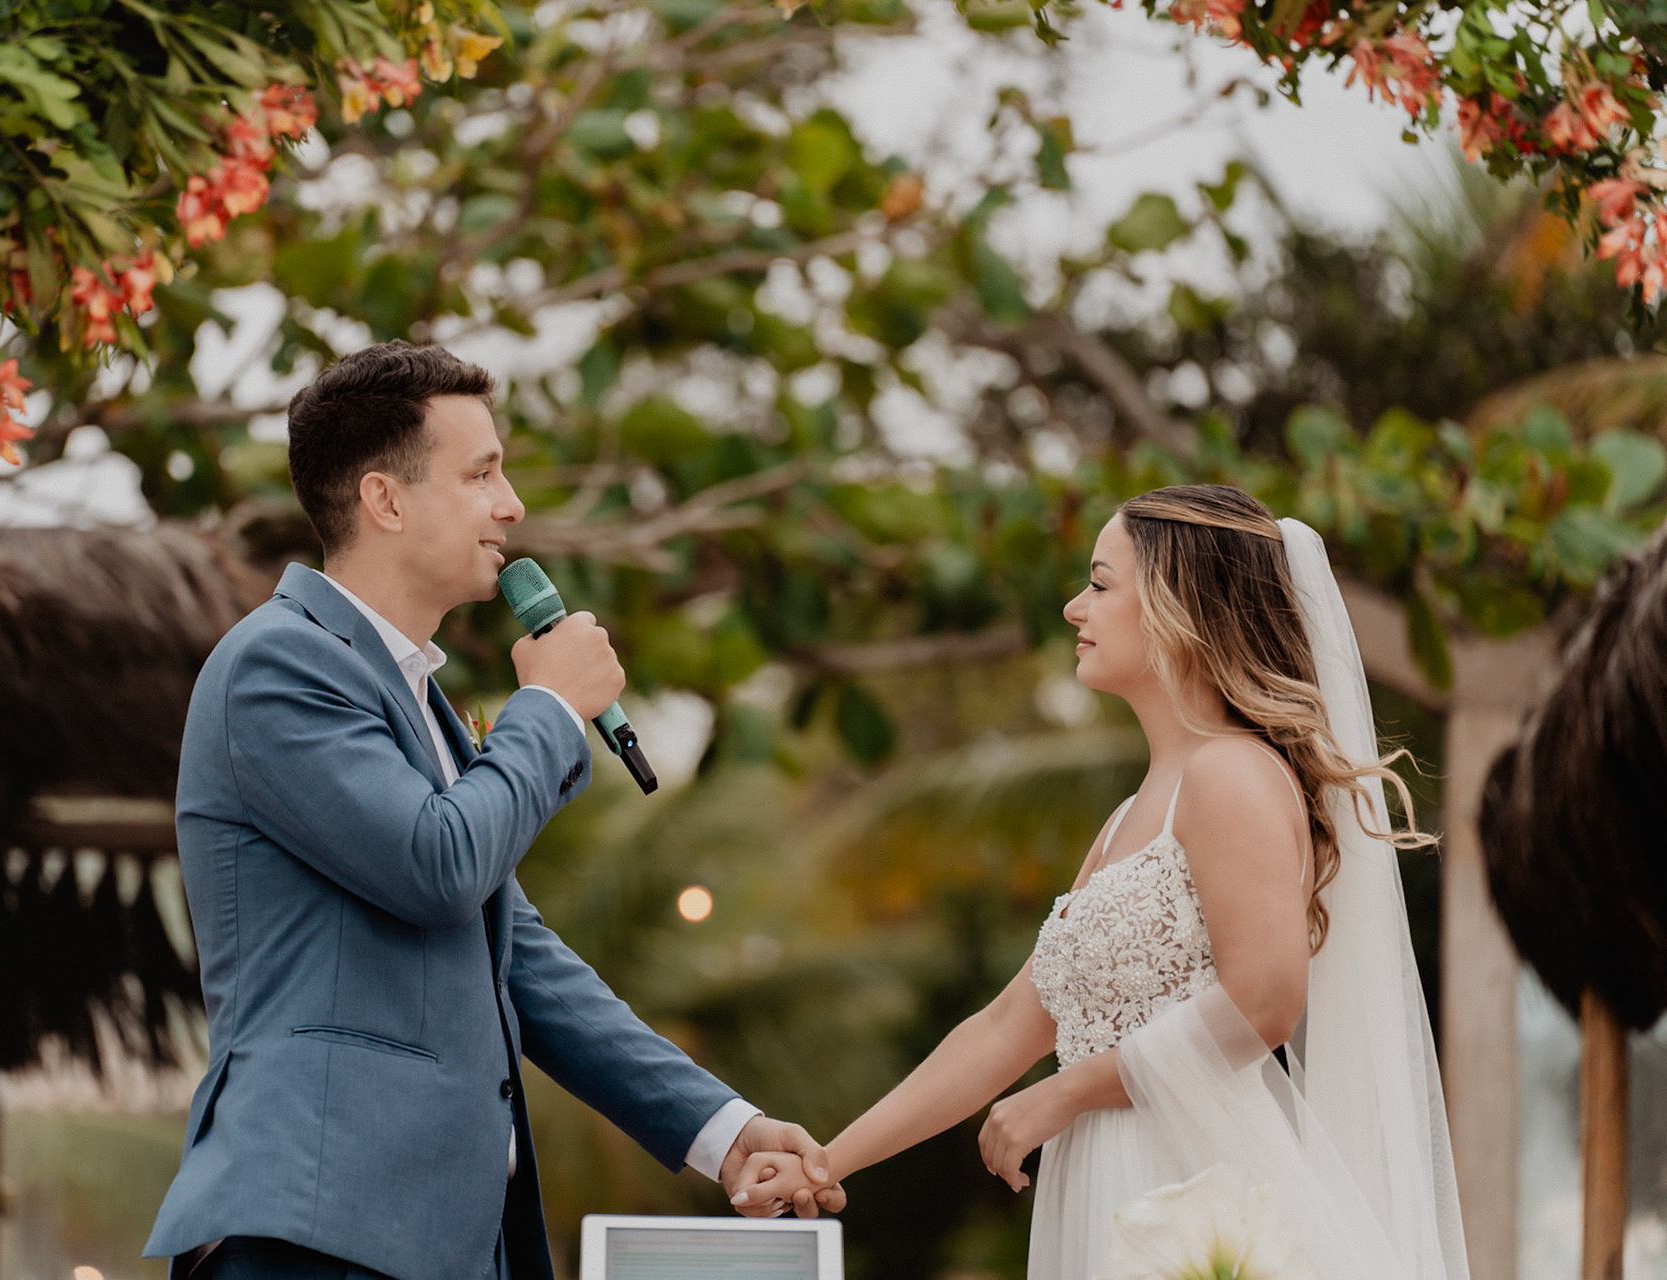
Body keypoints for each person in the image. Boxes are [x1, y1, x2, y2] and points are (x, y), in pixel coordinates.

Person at [144, 341, 840, 1280]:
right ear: (386, 500)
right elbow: (437, 867)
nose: (511, 506)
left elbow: (520, 959)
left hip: (444, 1243)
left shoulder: (417, 699)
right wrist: (548, 706)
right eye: (481, 474)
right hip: (320, 1229)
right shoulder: (279, 663)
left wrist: (723, 1129)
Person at [731, 485, 1470, 1280]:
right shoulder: (1127, 816)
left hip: (1192, 1190)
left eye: (1100, 584)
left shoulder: (1231, 774)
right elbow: (1006, 1027)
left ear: (1179, 607)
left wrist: (1066, 1093)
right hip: (1108, 1187)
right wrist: (826, 1162)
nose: (1073, 608)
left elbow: (1264, 1002)